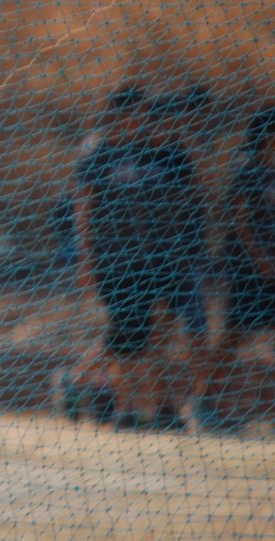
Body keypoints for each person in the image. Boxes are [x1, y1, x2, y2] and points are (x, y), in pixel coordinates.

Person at [64, 83, 207, 431]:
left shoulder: (164, 151)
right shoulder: (98, 151)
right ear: (117, 114)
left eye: (146, 114)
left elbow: (196, 194)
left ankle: (160, 407)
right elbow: (83, 207)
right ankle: (126, 409)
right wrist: (86, 261)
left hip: (163, 258)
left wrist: (179, 141)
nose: (142, 120)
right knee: (130, 333)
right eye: (135, 113)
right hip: (115, 258)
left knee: (156, 334)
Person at [202, 107, 275, 431]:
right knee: (234, 337)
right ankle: (204, 402)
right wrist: (261, 259)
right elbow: (240, 220)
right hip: (249, 270)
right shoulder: (247, 168)